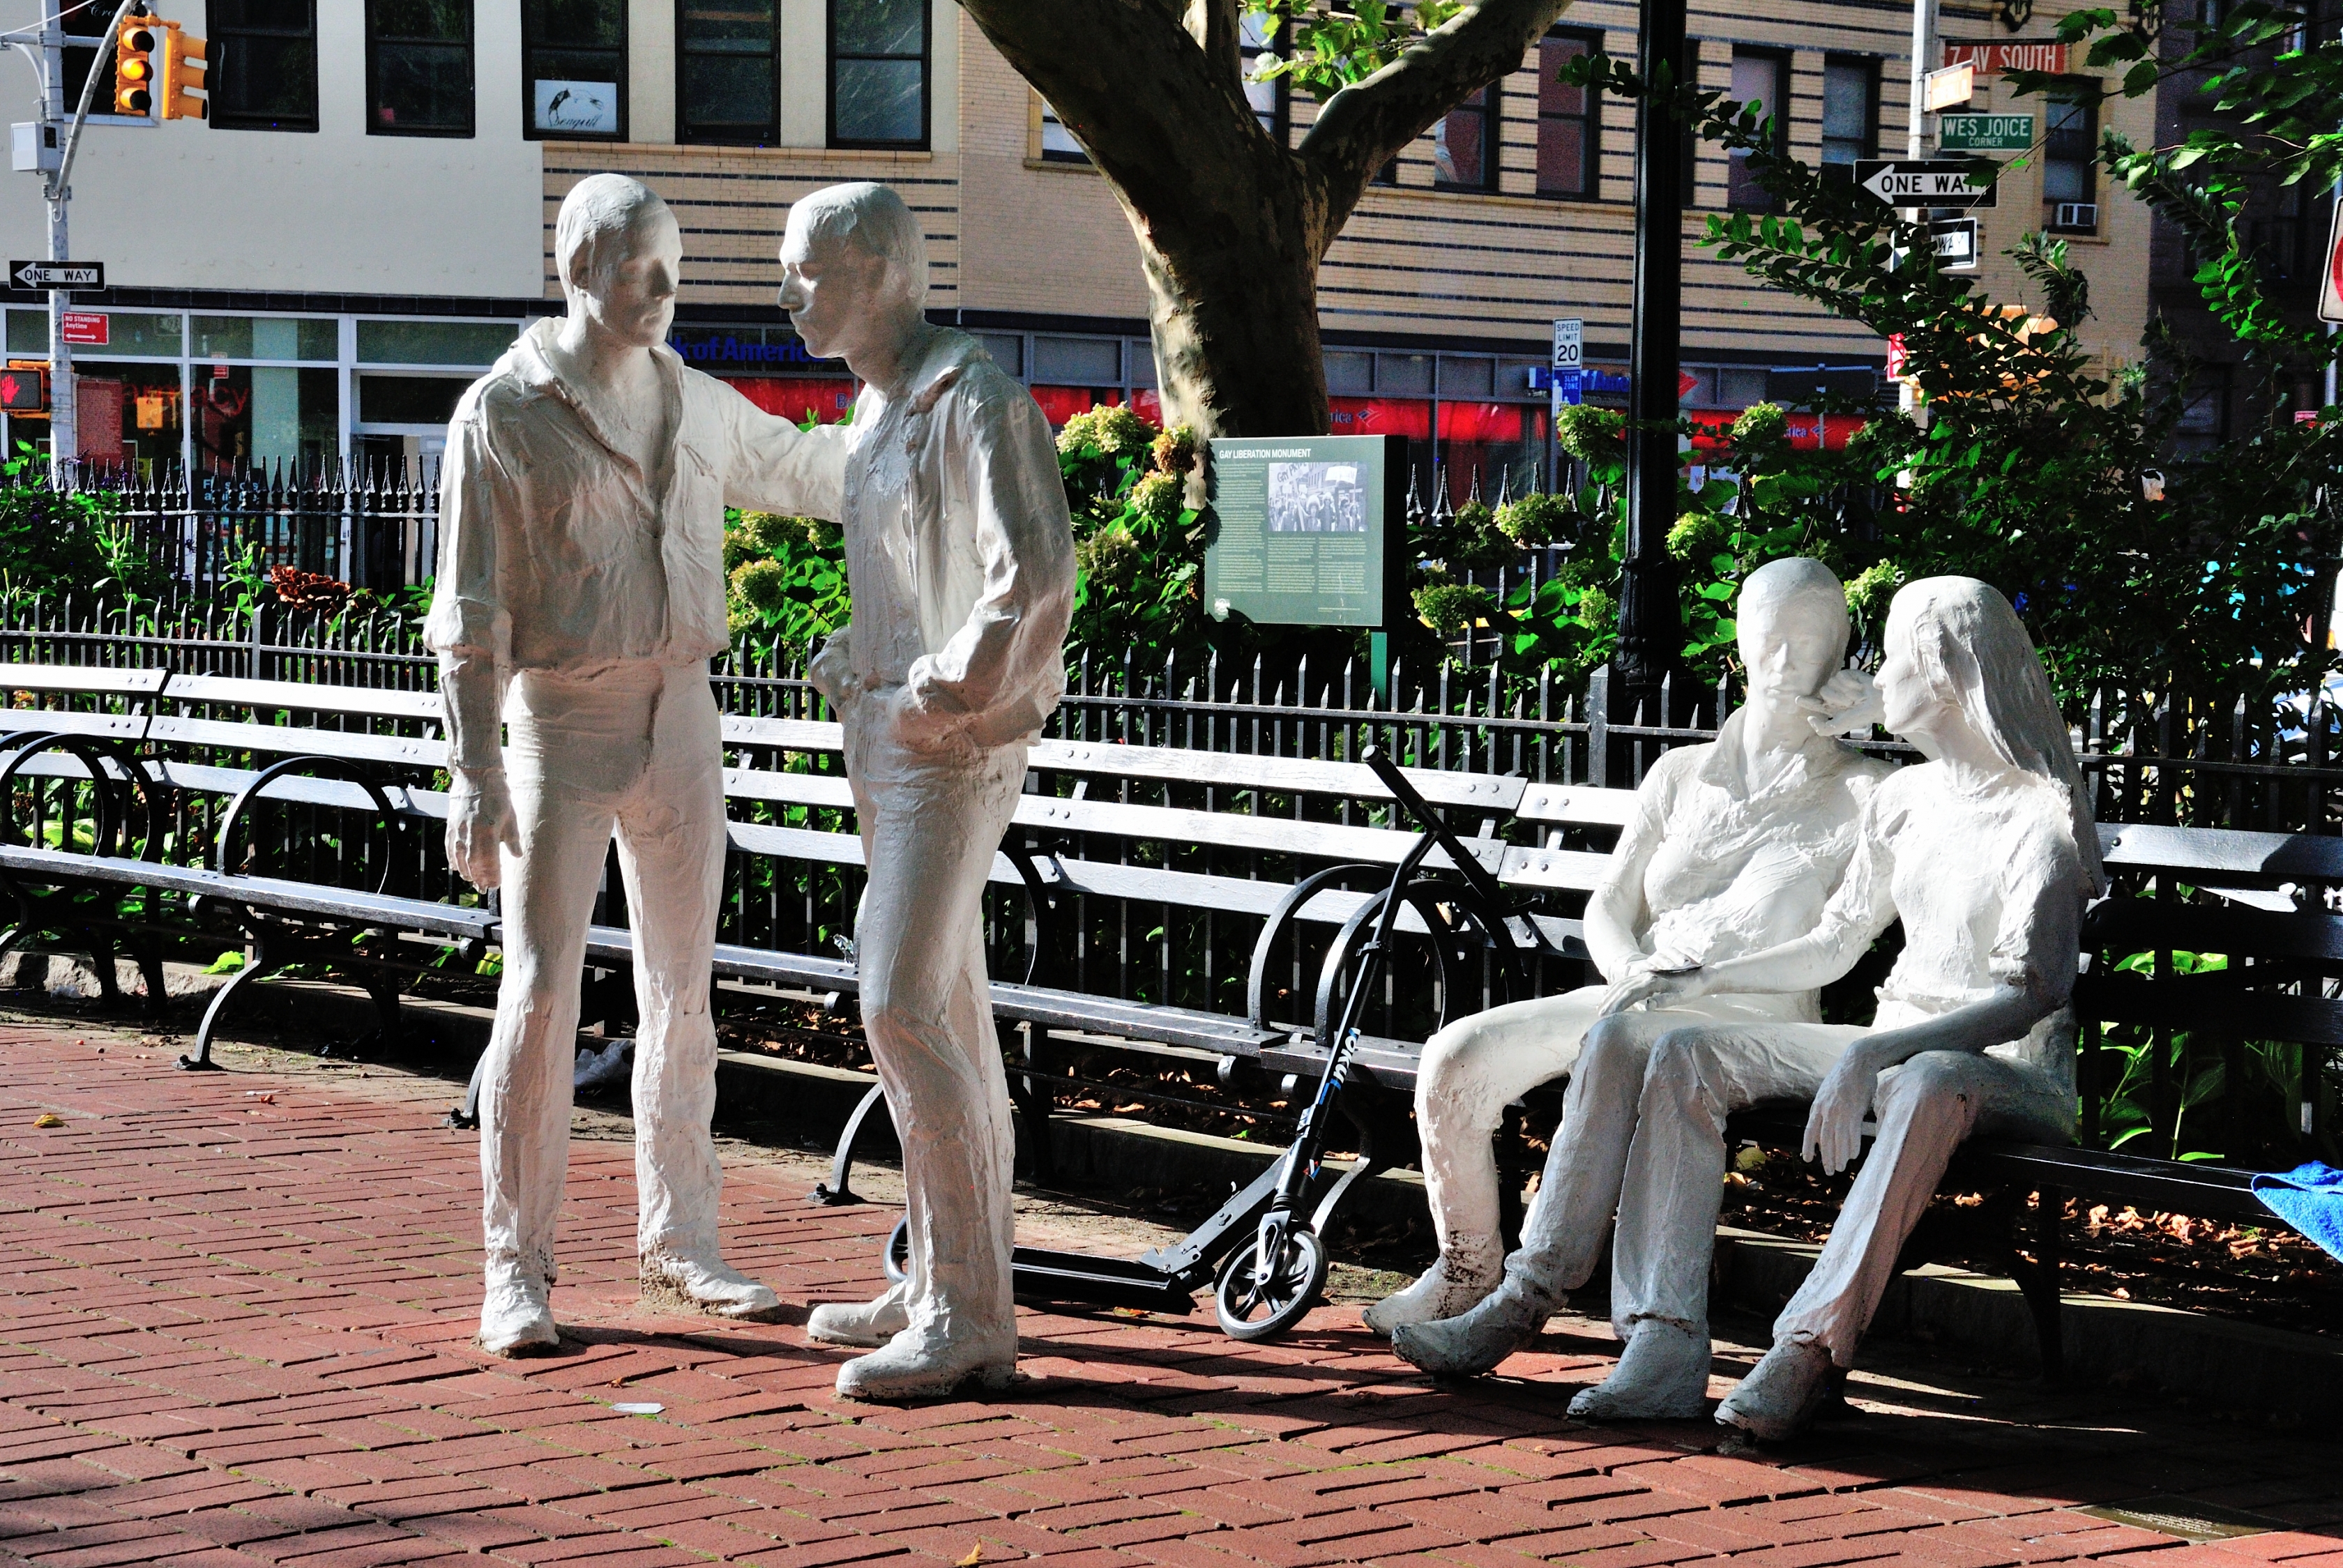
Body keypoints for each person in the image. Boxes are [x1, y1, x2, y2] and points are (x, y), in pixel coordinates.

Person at [1402, 577, 2100, 1445]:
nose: (1867, 676)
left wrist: (1869, 1058)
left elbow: (2034, 994)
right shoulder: (1908, 799)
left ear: (1951, 676)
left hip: (2007, 1071)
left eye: (1889, 658)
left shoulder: (2044, 815)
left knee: (1926, 1078)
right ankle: (1662, 1344)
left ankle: (1808, 1348)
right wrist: (1702, 979)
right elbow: (1839, 940)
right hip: (1893, 1046)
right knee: (1687, 1050)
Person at [427, 174, 851, 1357]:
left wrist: (923, 444)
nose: (665, 290)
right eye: (639, 269)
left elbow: (810, 470)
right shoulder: (502, 413)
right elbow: (468, 616)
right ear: (576, 269)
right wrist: (472, 769)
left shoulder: (700, 402)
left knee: (682, 990)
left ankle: (682, 1230)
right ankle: (515, 1262)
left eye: (673, 265)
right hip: (559, 718)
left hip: (682, 713)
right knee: (540, 989)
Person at [1367, 558, 1893, 1337]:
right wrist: (1631, 967)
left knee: (1643, 1042)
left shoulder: (1867, 791)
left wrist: (1889, 709)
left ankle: (1588, 1311)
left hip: (1754, 1019)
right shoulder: (1681, 774)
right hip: (1638, 995)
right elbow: (1609, 902)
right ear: (1742, 641)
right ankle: (1466, 1267)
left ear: (1843, 651)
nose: (1787, 661)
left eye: (1811, 642)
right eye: (1772, 637)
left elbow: (1971, 788)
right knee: (1456, 1055)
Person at [780, 183, 1077, 1401]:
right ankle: (947, 1279)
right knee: (944, 1014)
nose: (791, 295)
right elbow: (910, 571)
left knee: (900, 1001)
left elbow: (1035, 575)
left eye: (812, 271)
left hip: (949, 748)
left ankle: (968, 1313)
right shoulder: (875, 408)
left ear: (886, 271)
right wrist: (856, 655)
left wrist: (940, 689)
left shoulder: (978, 399)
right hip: (890, 738)